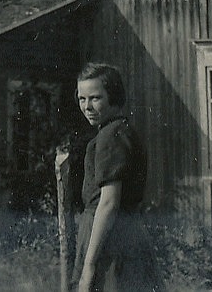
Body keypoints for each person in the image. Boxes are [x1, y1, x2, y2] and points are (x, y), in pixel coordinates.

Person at [72, 63, 162, 292]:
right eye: (82, 99)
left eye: (95, 98)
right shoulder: (122, 130)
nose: (87, 106)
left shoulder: (110, 137)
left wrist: (89, 265)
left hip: (109, 240)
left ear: (113, 96)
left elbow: (109, 203)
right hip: (125, 233)